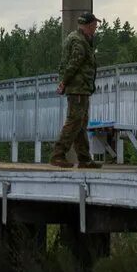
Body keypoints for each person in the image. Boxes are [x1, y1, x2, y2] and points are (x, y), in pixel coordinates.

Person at [51, 12, 101, 169]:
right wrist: (64, 82)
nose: (95, 28)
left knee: (80, 124)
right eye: (94, 26)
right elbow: (74, 63)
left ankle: (84, 158)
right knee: (74, 122)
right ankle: (58, 154)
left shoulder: (77, 38)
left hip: (81, 87)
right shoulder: (79, 41)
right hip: (78, 87)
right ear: (87, 26)